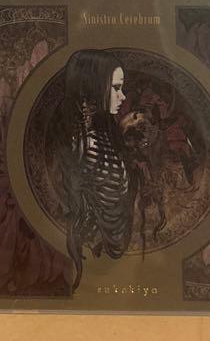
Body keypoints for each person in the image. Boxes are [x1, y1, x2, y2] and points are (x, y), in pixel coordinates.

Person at [51, 49, 135, 291]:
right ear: (94, 86)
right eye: (116, 88)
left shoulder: (104, 130)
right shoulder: (76, 142)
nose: (122, 96)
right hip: (92, 238)